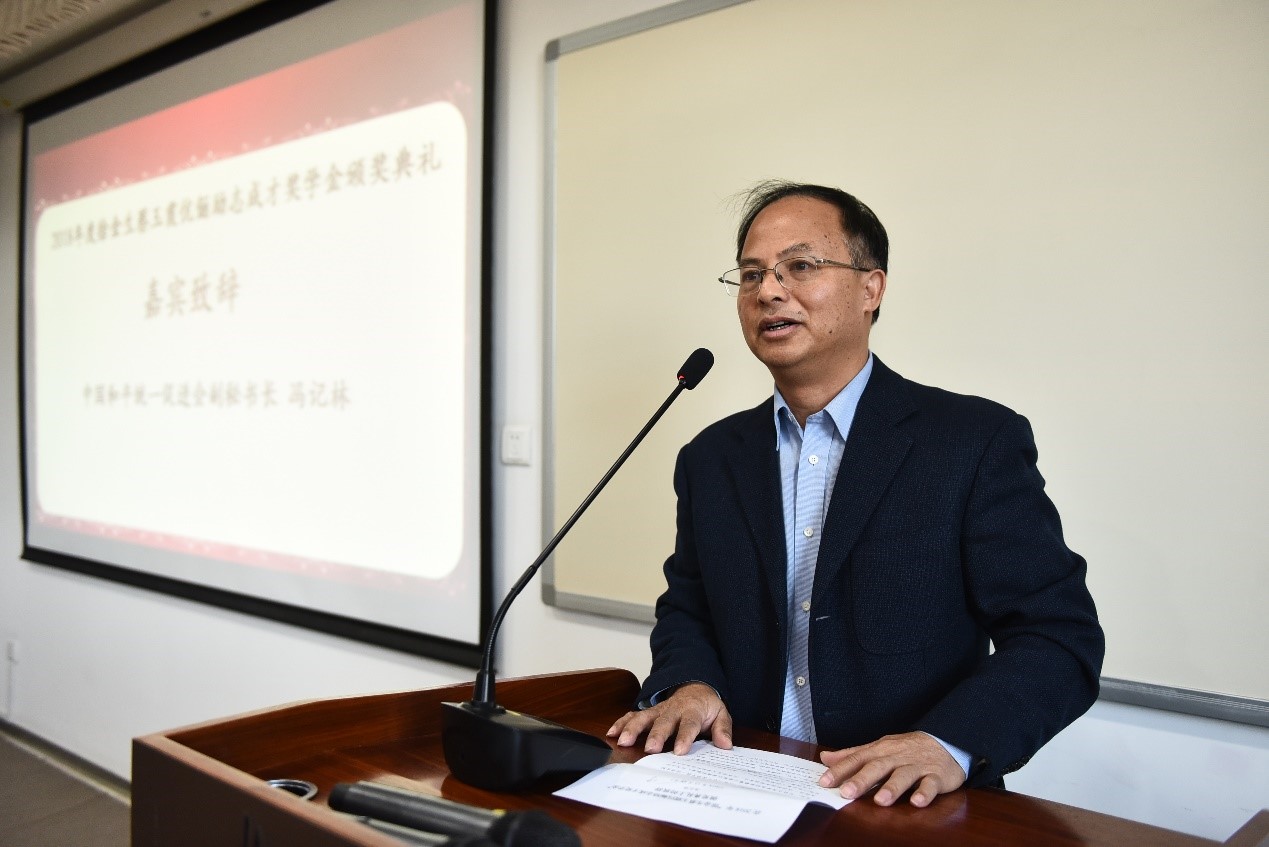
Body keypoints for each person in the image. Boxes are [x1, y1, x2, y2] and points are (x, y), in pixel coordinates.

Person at [607, 180, 1104, 808]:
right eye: (752, 274)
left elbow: (1057, 636)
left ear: (872, 289)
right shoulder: (712, 457)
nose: (768, 291)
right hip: (741, 786)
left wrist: (947, 743)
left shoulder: (971, 442)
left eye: (800, 266)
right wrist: (690, 684)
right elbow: (690, 607)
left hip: (900, 806)